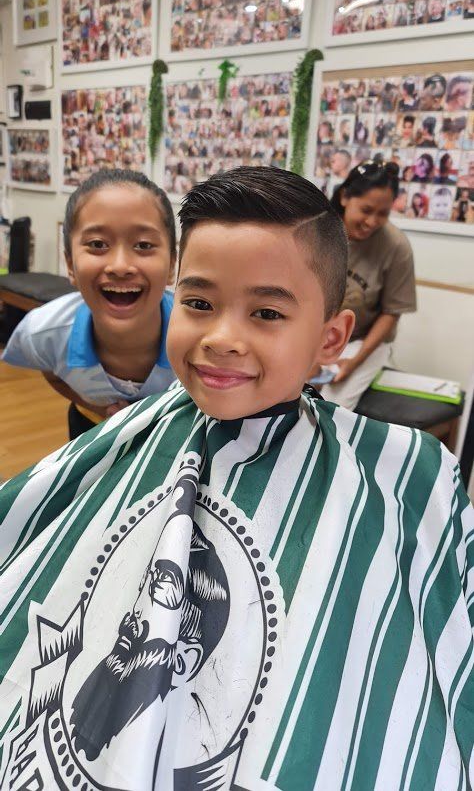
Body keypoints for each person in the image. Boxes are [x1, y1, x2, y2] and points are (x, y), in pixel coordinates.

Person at [0, 166, 472, 791]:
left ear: (330, 339)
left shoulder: (404, 468)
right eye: (198, 303)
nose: (222, 337)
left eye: (267, 312)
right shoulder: (136, 426)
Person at [2, 168, 176, 439]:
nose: (120, 266)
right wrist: (95, 405)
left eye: (143, 245)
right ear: (70, 264)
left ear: (172, 265)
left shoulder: (202, 338)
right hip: (91, 429)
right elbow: (53, 371)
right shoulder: (45, 333)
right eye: (97, 244)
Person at [319, 161, 416, 410]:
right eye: (366, 209)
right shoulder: (317, 232)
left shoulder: (396, 247)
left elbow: (391, 313)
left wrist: (353, 362)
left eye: (383, 213)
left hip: (362, 341)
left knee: (331, 405)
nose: (372, 221)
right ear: (344, 197)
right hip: (316, 331)